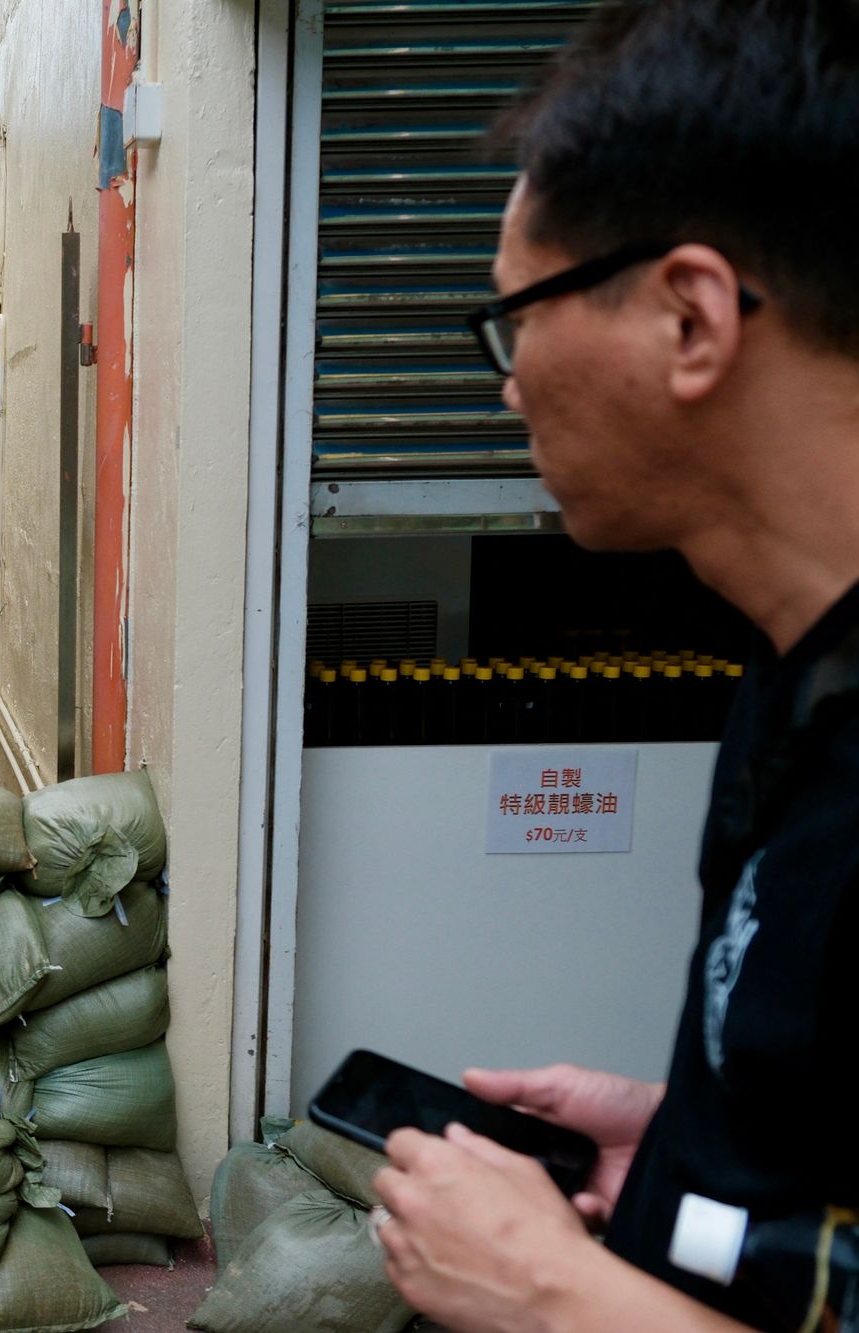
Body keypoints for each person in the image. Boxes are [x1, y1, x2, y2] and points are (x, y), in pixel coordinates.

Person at [368, 1, 859, 1329]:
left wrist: (545, 1292)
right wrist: (691, 1147)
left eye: (515, 317)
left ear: (690, 319)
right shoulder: (788, 681)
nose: (509, 382)